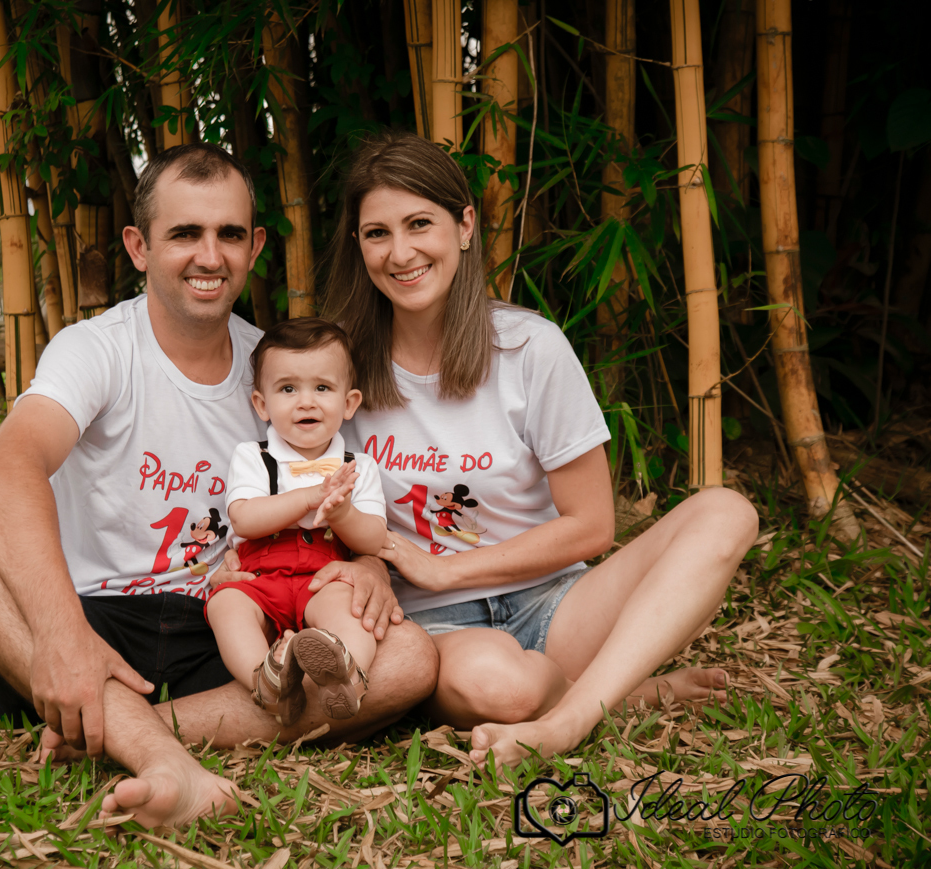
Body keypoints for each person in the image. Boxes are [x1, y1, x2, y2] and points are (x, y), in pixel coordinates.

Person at [0, 143, 438, 829]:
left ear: (255, 245)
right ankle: (159, 754)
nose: (210, 255)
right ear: (138, 247)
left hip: (224, 627)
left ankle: (121, 732)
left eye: (228, 233)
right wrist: (60, 634)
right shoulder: (97, 348)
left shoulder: (278, 373)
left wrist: (370, 561)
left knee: (409, 658)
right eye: (185, 234)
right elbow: (9, 468)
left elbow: (337, 488)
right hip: (96, 620)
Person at [322, 131, 759, 770]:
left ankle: (576, 716)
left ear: (465, 225)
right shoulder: (338, 369)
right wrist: (371, 569)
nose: (401, 252)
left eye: (420, 224)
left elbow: (592, 526)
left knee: (726, 513)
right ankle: (625, 693)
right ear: (358, 245)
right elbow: (319, 504)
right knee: (504, 690)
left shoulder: (529, 348)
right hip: (437, 626)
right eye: (377, 233)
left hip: (555, 602)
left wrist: (449, 567)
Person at [207, 318, 388, 726]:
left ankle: (346, 673)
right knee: (226, 605)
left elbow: (374, 538)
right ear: (262, 404)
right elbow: (245, 518)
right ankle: (268, 680)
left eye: (322, 388)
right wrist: (309, 497)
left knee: (349, 608)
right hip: (258, 578)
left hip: (323, 577)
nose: (306, 402)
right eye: (288, 389)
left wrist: (342, 512)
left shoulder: (357, 466)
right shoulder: (254, 457)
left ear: (349, 403)